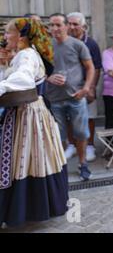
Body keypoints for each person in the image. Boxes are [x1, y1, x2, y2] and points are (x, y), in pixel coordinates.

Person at [0, 18, 68, 227]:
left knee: (26, 158)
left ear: (21, 36)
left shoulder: (26, 55)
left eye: (7, 33)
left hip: (28, 113)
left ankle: (22, 209)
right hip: (31, 112)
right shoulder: (25, 55)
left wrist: (2, 87)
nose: (4, 37)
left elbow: (24, 79)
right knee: (36, 158)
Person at [45, 13, 95, 181]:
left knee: (81, 133)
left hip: (76, 98)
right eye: (51, 25)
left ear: (66, 26)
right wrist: (48, 78)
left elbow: (90, 68)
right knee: (57, 136)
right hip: (54, 99)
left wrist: (86, 88)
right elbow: (37, 71)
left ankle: (83, 164)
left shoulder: (77, 45)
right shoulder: (45, 47)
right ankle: (60, 168)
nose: (54, 28)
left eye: (58, 25)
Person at [66, 12, 102, 162]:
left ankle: (90, 146)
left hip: (87, 85)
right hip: (68, 87)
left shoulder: (91, 44)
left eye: (76, 24)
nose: (72, 27)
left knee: (89, 117)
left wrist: (92, 87)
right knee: (68, 116)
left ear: (83, 26)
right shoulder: (63, 42)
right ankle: (72, 145)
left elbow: (97, 67)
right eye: (70, 24)